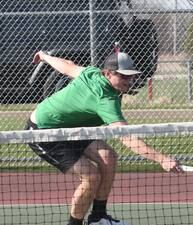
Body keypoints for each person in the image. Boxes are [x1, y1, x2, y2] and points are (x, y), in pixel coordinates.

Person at [26, 51, 182, 225]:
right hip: (44, 132)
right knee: (91, 176)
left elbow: (67, 66)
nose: (128, 81)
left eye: (130, 77)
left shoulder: (92, 72)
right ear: (107, 73)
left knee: (108, 157)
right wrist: (161, 159)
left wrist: (45, 56)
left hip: (72, 129)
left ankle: (98, 218)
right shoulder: (105, 99)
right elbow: (127, 138)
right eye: (123, 76)